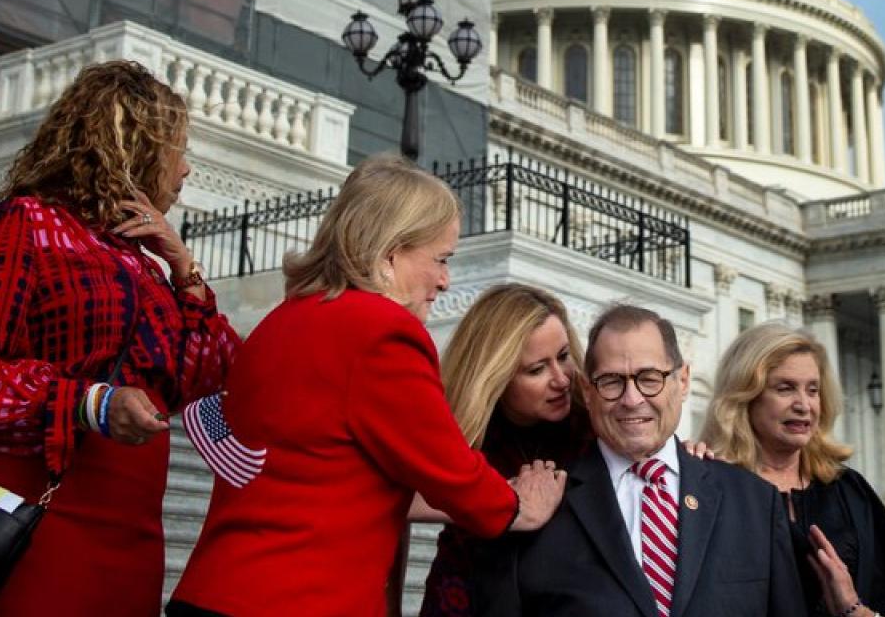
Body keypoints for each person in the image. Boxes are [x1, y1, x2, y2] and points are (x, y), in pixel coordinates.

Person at [169, 154, 567, 617]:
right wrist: (520, 506)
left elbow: (329, 470)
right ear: (390, 253)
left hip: (212, 592)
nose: (444, 279)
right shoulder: (383, 332)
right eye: (440, 258)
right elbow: (449, 471)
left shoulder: (281, 320)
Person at [0, 59, 240, 616]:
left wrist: (185, 269)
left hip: (130, 527)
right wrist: (88, 402)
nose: (186, 169)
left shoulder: (144, 260)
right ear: (134, 148)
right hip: (31, 514)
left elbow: (212, 374)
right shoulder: (24, 224)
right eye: (178, 148)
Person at [475, 304, 805, 617]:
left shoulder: (755, 503)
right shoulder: (537, 512)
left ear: (683, 380)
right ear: (588, 393)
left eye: (649, 378)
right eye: (612, 382)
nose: (632, 400)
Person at [700, 323, 885, 617]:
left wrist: (853, 608)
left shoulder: (848, 490)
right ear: (745, 396)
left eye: (813, 390)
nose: (804, 405)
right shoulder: (710, 489)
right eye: (785, 389)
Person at [419, 283, 591, 617]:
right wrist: (504, 502)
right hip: (466, 595)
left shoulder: (591, 426)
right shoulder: (461, 435)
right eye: (536, 369)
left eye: (563, 357)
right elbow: (390, 491)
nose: (561, 379)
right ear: (495, 376)